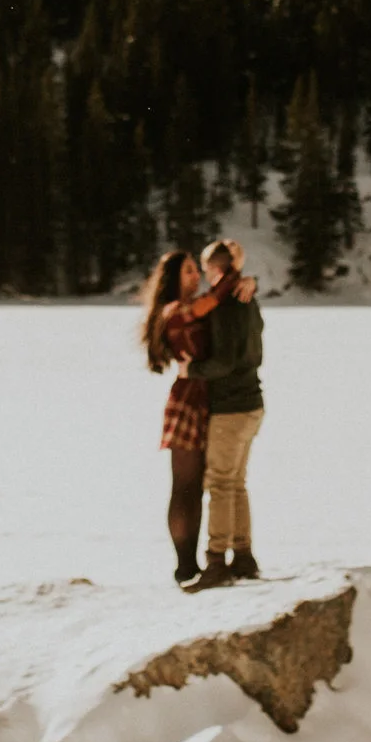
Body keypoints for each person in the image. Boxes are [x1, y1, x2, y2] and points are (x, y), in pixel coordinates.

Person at [182, 238, 265, 591]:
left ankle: (217, 561)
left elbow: (224, 361)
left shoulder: (227, 303)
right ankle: (243, 556)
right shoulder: (248, 299)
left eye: (204, 269)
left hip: (231, 406)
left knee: (218, 482)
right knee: (235, 482)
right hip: (252, 402)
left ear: (212, 268)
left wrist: (192, 370)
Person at [136, 249, 221, 585]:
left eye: (194, 271)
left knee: (193, 486)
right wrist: (232, 283)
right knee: (184, 486)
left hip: (199, 396)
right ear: (172, 278)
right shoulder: (177, 311)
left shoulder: (184, 308)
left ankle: (189, 564)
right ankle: (184, 565)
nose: (194, 277)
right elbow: (206, 306)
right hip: (189, 398)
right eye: (188, 272)